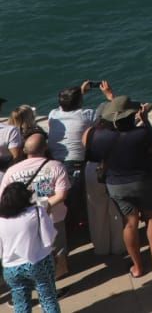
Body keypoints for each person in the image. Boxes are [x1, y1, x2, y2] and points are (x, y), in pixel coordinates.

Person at [85, 94, 152, 277]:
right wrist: (145, 121)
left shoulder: (100, 137)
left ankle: (137, 267)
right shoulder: (141, 133)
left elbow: (94, 155)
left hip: (116, 184)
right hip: (144, 181)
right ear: (132, 116)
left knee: (130, 224)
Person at [3, 135, 68, 280]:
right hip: (53, 217)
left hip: (23, 219)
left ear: (25, 150)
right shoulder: (56, 166)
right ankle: (57, 282)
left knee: (30, 254)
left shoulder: (12, 171)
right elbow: (61, 194)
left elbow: (4, 197)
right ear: (45, 147)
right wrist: (44, 206)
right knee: (57, 251)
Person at [1, 178, 62, 313]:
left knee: (20, 303)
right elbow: (49, 238)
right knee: (48, 298)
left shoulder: (1, 219)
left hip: (10, 267)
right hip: (37, 261)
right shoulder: (36, 211)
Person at [46, 82, 99, 231]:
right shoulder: (87, 115)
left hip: (53, 162)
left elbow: (68, 108)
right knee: (75, 197)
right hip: (74, 163)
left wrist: (79, 94)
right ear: (79, 102)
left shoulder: (53, 114)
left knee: (60, 196)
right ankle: (76, 228)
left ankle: (67, 228)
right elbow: (101, 120)